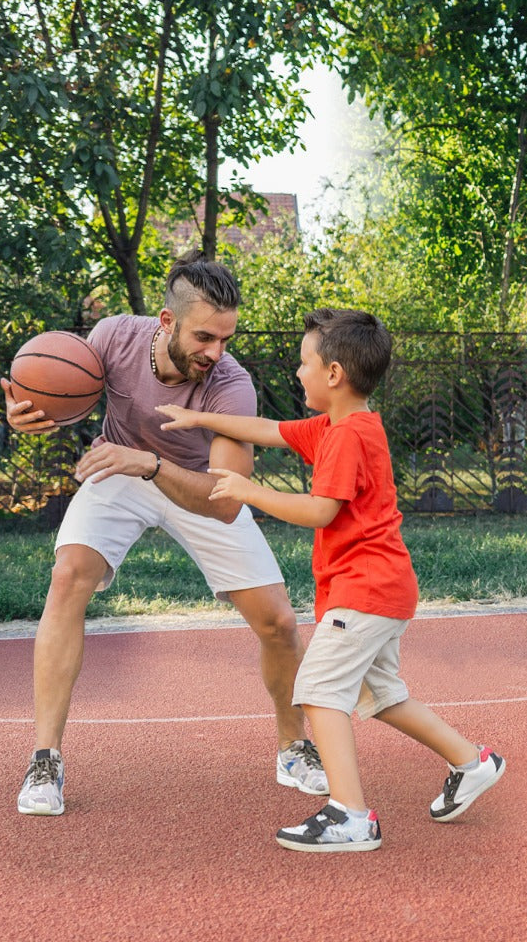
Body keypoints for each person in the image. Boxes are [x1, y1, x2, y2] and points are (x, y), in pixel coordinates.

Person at [158, 307, 505, 853]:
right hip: (382, 587)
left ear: (334, 374)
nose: (297, 374)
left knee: (318, 693)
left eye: (303, 364)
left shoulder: (346, 438)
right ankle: (473, 760)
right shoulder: (341, 425)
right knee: (383, 695)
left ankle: (351, 815)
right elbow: (268, 430)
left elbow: (322, 510)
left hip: (363, 589)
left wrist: (250, 493)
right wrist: (201, 420)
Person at [1, 254, 326, 817]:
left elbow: (225, 502)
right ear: (166, 322)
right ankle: (45, 758)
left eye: (225, 339)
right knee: (67, 576)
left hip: (192, 484)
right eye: (204, 337)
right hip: (121, 470)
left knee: (278, 622)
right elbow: (57, 389)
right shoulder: (111, 338)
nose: (215, 352)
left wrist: (149, 463)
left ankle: (293, 746)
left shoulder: (231, 386)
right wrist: (25, 413)